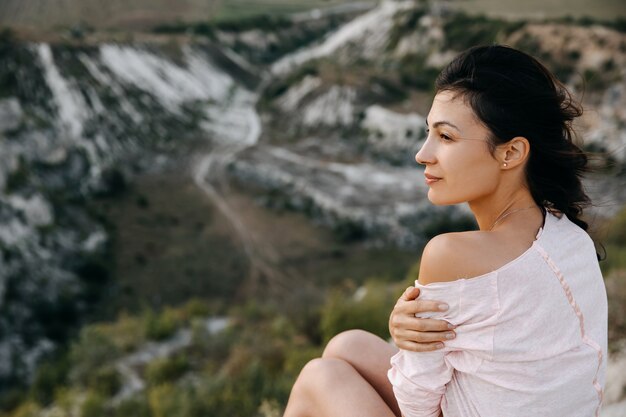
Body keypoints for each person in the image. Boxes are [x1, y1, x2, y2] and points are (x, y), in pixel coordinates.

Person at [283, 44, 607, 417]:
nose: (423, 153)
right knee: (347, 344)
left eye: (446, 137)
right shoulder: (568, 235)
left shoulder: (451, 254)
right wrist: (412, 337)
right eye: (428, 133)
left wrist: (414, 346)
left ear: (511, 153)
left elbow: (417, 407)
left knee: (319, 377)